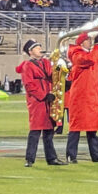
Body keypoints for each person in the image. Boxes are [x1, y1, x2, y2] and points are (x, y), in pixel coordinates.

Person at [65, 31, 98, 163]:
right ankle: (71, 155)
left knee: (92, 129)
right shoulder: (77, 55)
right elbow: (89, 60)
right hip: (81, 98)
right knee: (75, 128)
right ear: (81, 42)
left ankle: (96, 155)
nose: (91, 42)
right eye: (88, 40)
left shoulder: (93, 54)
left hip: (92, 97)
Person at [16, 39, 67, 167]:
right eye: (37, 47)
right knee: (35, 131)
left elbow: (52, 75)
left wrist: (58, 67)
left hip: (48, 100)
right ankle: (30, 159)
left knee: (49, 131)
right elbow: (29, 85)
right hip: (37, 102)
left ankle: (52, 158)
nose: (40, 48)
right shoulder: (27, 65)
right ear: (30, 51)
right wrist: (44, 95)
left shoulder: (45, 62)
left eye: (39, 46)